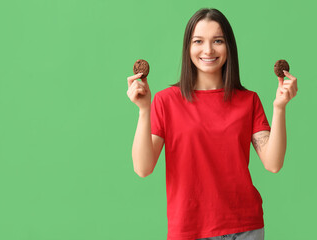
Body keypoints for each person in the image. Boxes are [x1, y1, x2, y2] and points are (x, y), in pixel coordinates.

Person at [126, 8, 298, 240]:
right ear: (188, 47)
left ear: (229, 47)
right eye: (198, 41)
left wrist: (279, 107)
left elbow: (273, 163)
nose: (208, 50)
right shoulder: (166, 100)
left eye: (217, 41)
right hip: (190, 229)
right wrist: (144, 109)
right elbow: (143, 168)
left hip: (245, 226)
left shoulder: (248, 101)